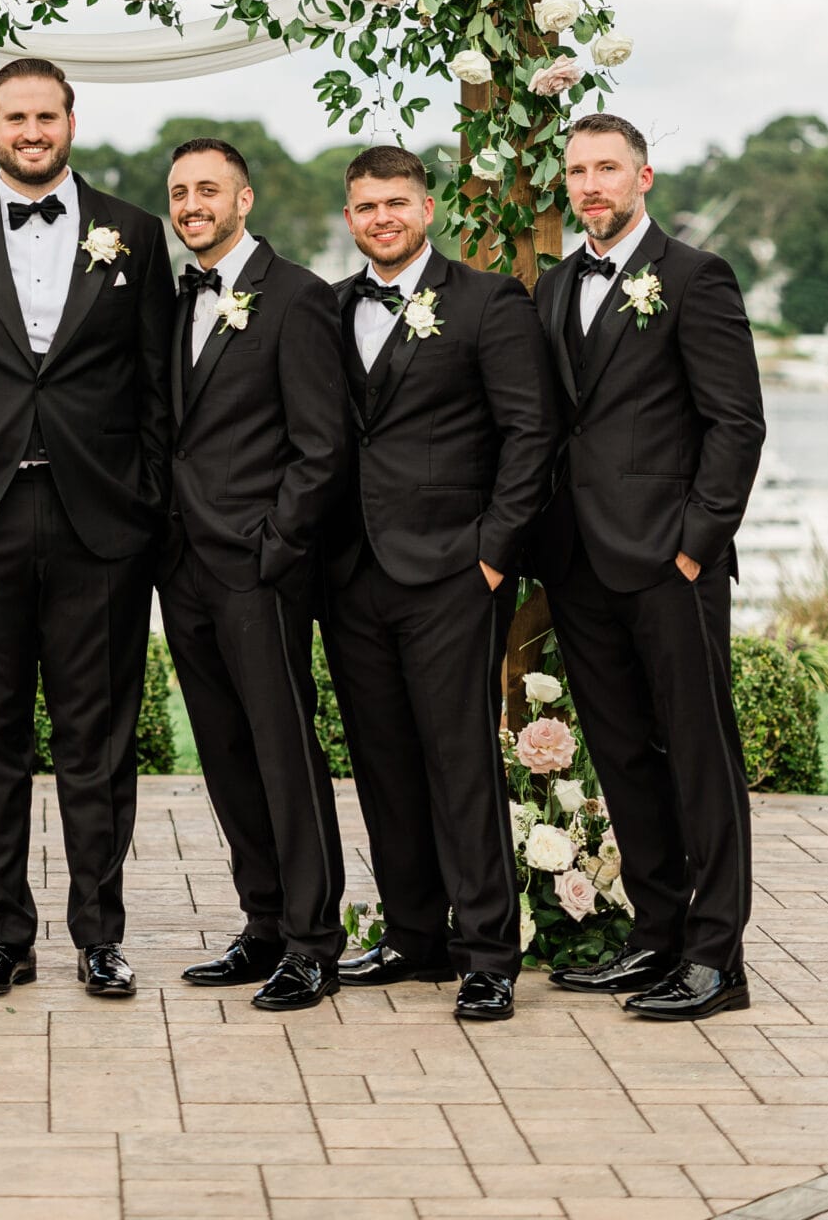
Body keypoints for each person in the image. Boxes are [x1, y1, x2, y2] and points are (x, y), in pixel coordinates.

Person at [0, 56, 173, 999]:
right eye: (15, 117)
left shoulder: (133, 233)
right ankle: (1, 936)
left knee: (98, 738)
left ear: (71, 122)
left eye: (46, 116)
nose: (32, 132)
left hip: (99, 523)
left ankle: (100, 935)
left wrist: (147, 503)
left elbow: (154, 386)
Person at [530, 112, 766, 1022]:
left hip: (670, 562)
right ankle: (656, 936)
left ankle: (716, 959)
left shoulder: (695, 277)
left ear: (643, 178)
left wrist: (694, 546)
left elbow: (734, 423)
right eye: (578, 172)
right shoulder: (553, 287)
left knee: (700, 757)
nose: (590, 185)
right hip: (579, 563)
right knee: (623, 754)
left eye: (606, 170)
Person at [322, 145, 559, 1024]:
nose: (380, 218)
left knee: (459, 760)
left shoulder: (486, 301)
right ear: (348, 219)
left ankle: (488, 949)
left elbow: (528, 433)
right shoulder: (333, 305)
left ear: (426, 210)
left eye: (395, 202)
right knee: (382, 760)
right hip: (352, 575)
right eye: (364, 207)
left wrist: (492, 552)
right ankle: (413, 933)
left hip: (454, 571)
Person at [158, 138, 349, 1011]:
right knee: (226, 755)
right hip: (183, 566)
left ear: (244, 201)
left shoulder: (298, 297)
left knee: (282, 750)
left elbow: (321, 445)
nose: (191, 203)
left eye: (208, 190)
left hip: (259, 567)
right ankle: (262, 922)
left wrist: (276, 546)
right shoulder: (174, 298)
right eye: (179, 192)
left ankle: (314, 941)